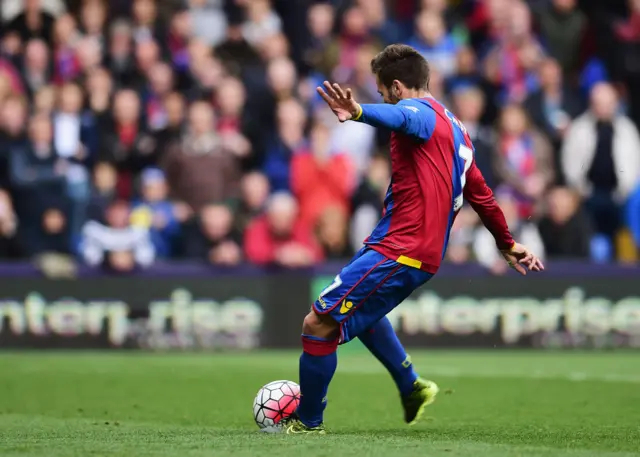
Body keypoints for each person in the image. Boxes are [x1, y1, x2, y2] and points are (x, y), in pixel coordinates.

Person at [262, 44, 544, 435]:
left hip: (401, 248)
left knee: (319, 322)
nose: (381, 98)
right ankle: (411, 385)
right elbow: (481, 193)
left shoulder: (419, 113)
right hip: (416, 251)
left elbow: (403, 118)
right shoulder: (457, 130)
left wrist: (359, 111)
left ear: (397, 87)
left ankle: (309, 423)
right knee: (363, 313)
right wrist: (507, 243)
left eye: (381, 91)